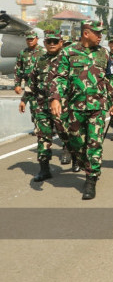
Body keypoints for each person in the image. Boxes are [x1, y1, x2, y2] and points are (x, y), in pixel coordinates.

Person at [49, 20, 113, 200]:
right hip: (75, 107)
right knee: (76, 141)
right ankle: (82, 160)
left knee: (94, 143)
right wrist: (55, 98)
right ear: (86, 33)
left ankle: (91, 179)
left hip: (97, 107)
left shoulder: (104, 53)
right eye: (97, 33)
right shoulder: (68, 52)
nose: (100, 36)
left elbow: (110, 78)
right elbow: (60, 77)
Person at [19, 29, 77, 181]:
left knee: (65, 133)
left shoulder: (68, 59)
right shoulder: (40, 60)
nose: (52, 44)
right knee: (43, 136)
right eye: (49, 42)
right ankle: (44, 169)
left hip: (62, 105)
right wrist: (24, 100)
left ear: (61, 43)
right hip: (41, 104)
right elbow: (32, 82)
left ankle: (75, 156)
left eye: (55, 42)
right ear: (44, 43)